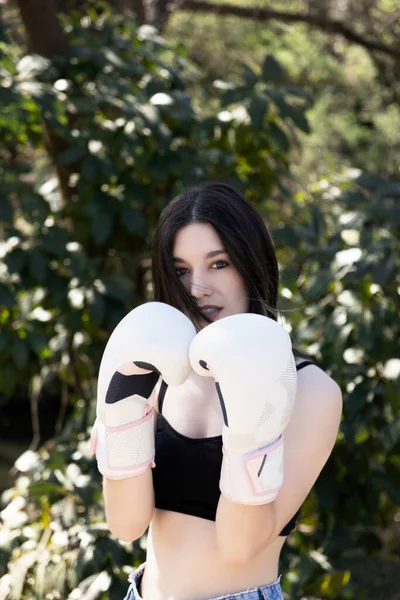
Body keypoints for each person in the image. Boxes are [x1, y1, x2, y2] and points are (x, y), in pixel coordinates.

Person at [89, 182, 343, 600]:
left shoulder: (310, 390)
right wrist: (119, 419)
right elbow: (126, 524)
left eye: (219, 263)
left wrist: (251, 433)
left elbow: (240, 548)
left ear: (251, 262)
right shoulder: (159, 366)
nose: (197, 288)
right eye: (182, 270)